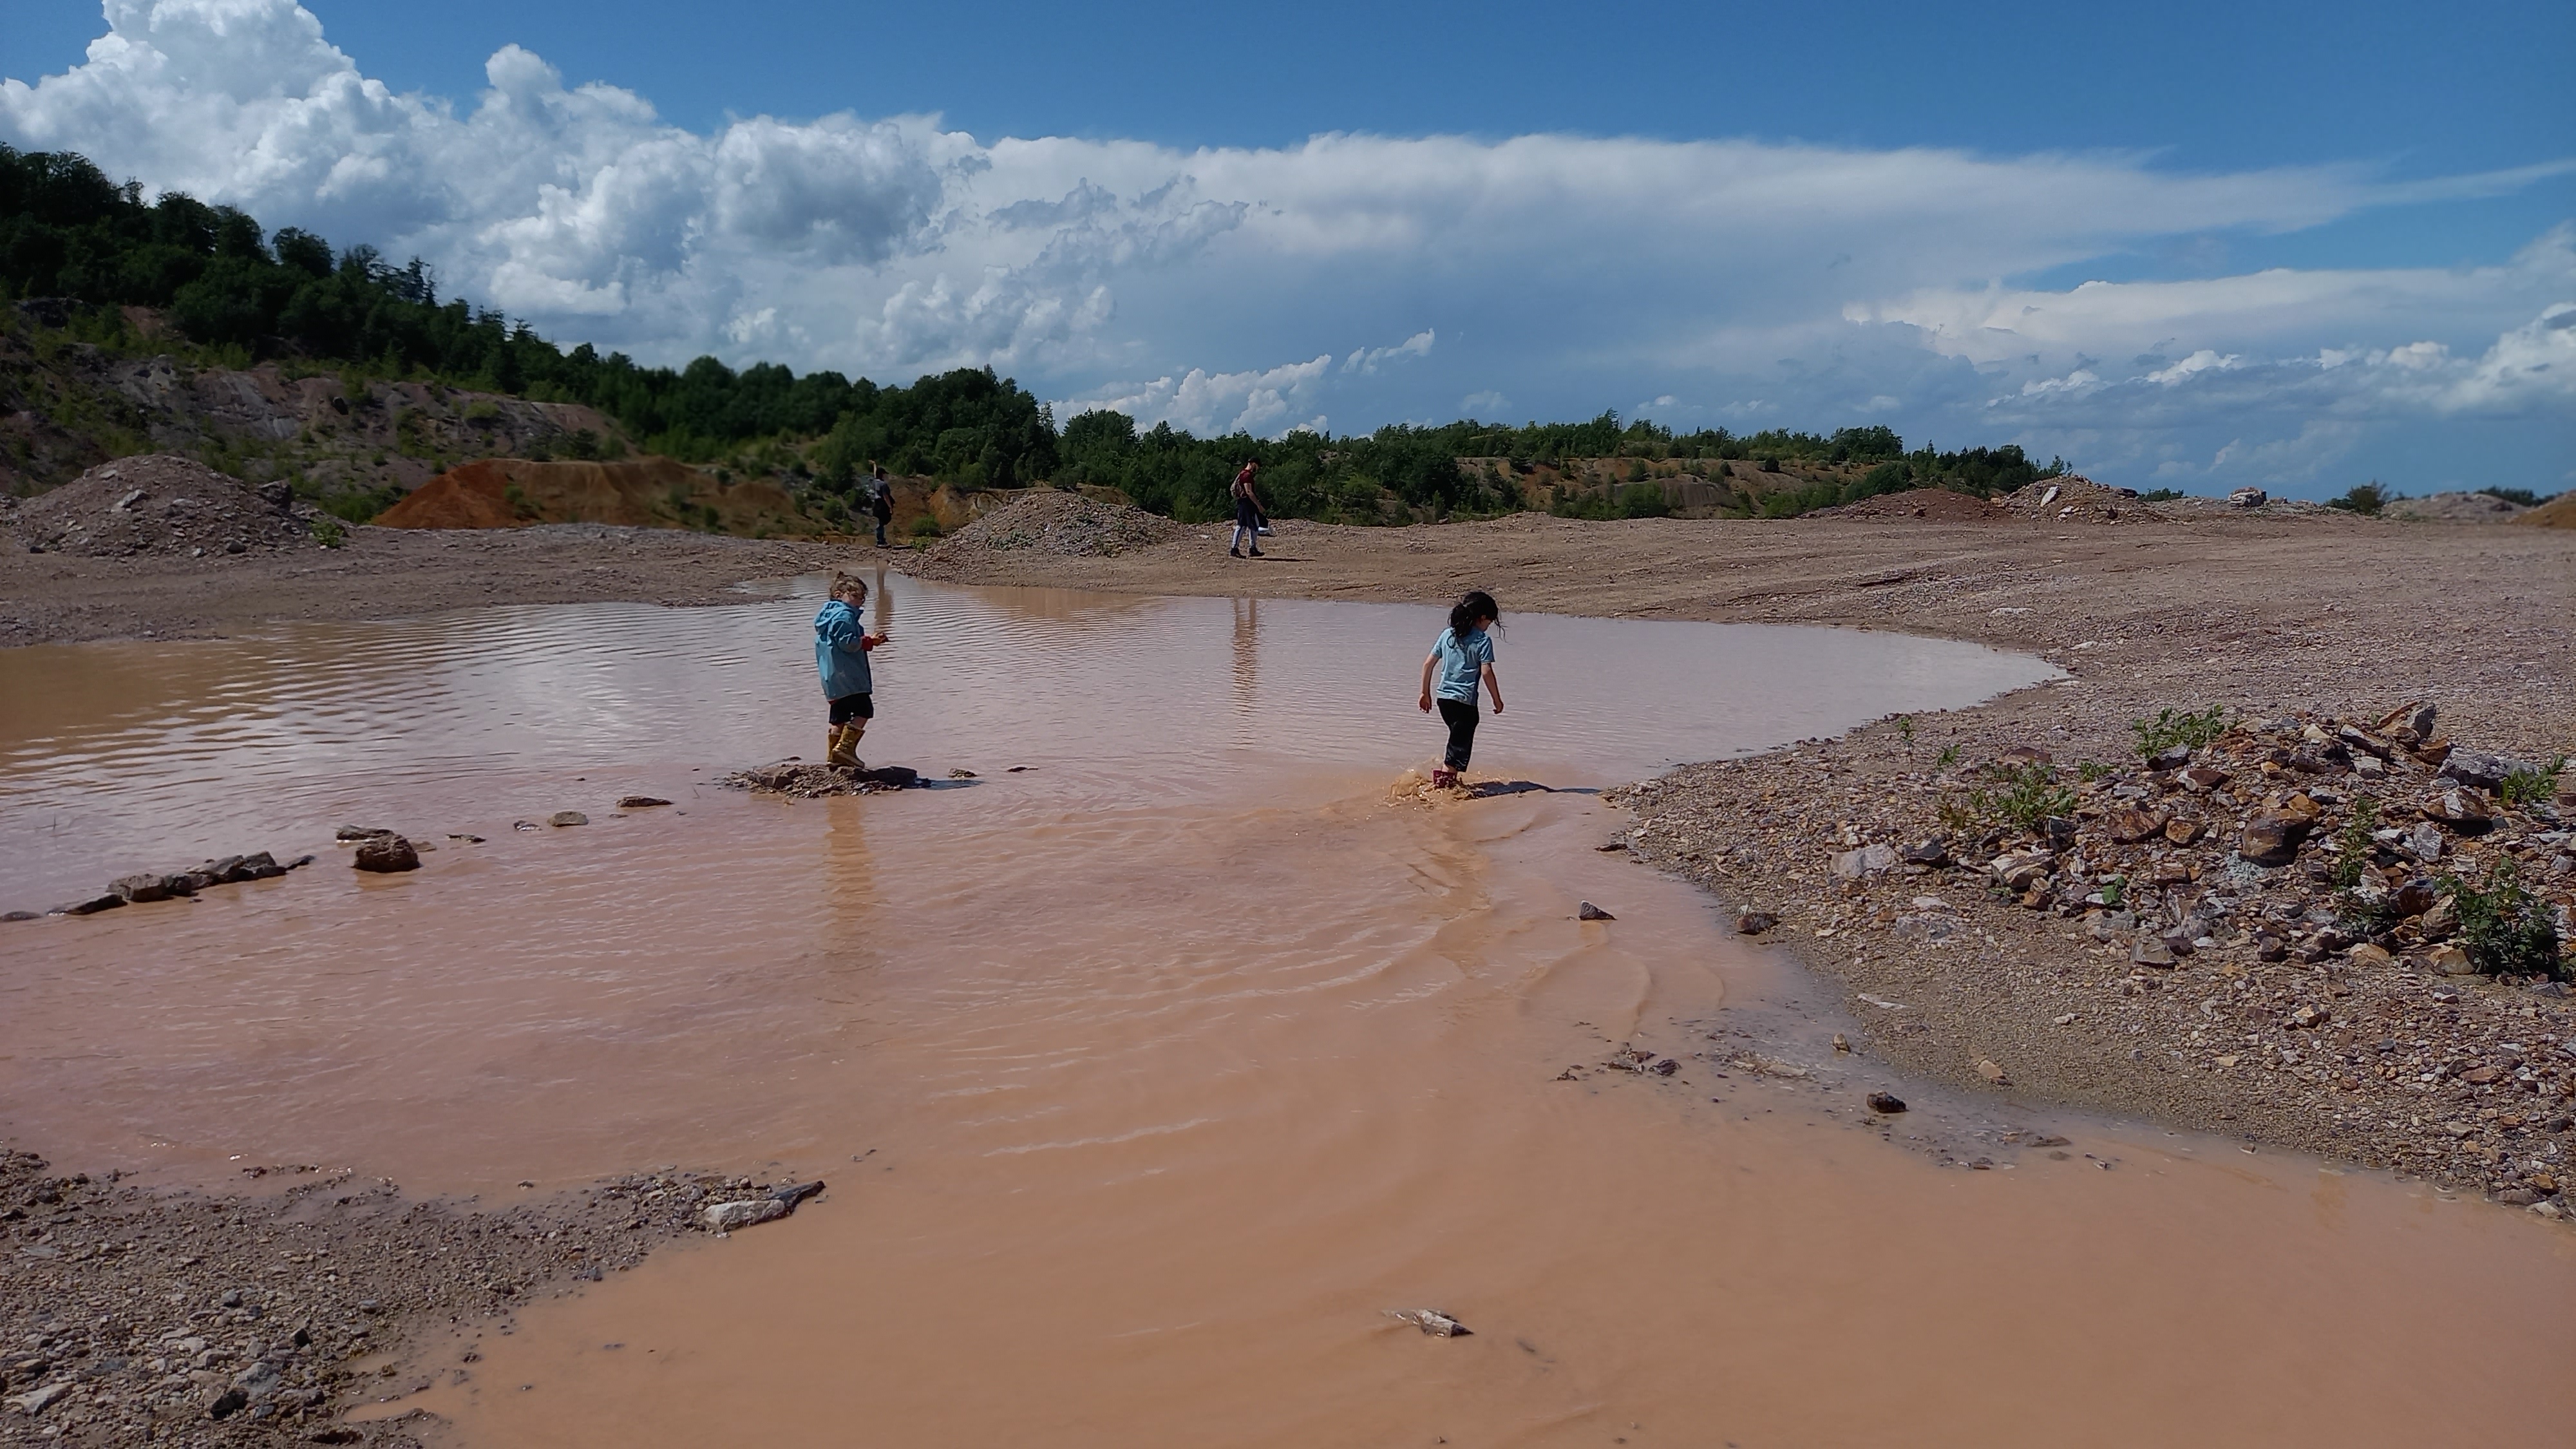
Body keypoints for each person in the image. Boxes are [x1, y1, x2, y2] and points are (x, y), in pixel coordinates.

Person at [1416, 590, 1504, 790]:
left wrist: (1424, 693)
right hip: (1464, 702)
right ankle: (1442, 787)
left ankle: (1445, 778)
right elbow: (1487, 673)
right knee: (1460, 743)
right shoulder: (1482, 640)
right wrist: (1497, 701)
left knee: (1457, 738)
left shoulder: (1448, 634)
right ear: (1482, 618)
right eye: (1489, 623)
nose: (1487, 627)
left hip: (1443, 700)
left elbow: (1428, 664)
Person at [816, 571, 888, 768]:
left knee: (839, 717)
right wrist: (869, 641)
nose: (859, 601)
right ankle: (845, 750)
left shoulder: (827, 615)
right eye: (855, 596)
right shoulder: (844, 615)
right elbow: (847, 643)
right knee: (865, 710)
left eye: (862, 597)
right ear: (839, 595)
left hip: (831, 676)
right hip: (848, 676)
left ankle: (833, 758)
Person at [1229, 460, 1265, 558]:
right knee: (1243, 525)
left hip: (1245, 503)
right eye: (1257, 466)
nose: (1257, 468)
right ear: (1253, 464)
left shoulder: (1242, 473)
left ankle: (1249, 548)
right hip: (1246, 503)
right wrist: (1258, 505)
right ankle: (1236, 549)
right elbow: (1249, 491)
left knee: (1249, 525)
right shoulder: (1247, 475)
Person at [869, 463, 895, 548]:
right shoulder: (883, 485)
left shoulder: (875, 482)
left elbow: (875, 474)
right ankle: (880, 541)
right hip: (882, 504)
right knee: (881, 523)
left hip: (876, 504)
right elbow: (886, 497)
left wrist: (874, 465)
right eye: (883, 474)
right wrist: (890, 507)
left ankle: (880, 540)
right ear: (881, 475)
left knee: (881, 522)